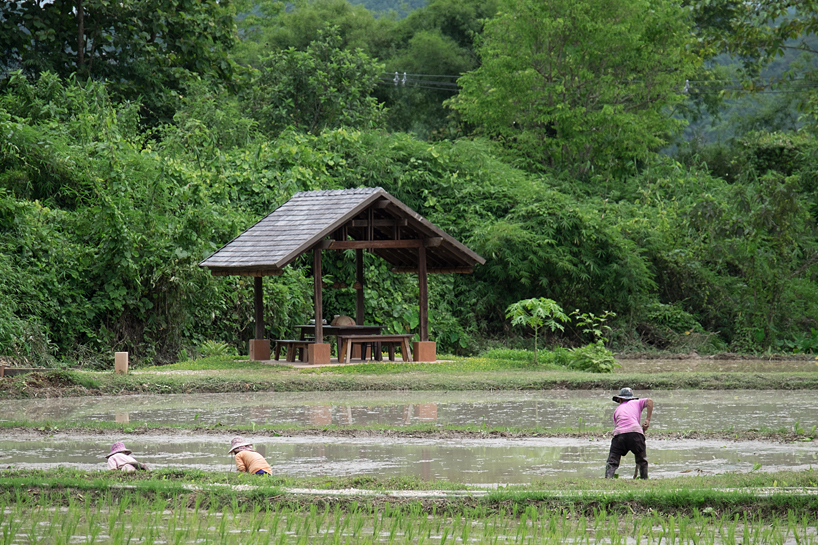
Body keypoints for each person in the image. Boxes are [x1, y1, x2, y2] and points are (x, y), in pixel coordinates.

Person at [605, 387, 653, 479]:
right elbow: (649, 401)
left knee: (612, 462)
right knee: (642, 460)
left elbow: (617, 426)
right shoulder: (637, 402)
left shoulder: (617, 410)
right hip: (635, 433)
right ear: (632, 398)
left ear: (620, 399)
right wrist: (647, 419)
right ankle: (644, 479)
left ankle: (608, 478)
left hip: (620, 435)